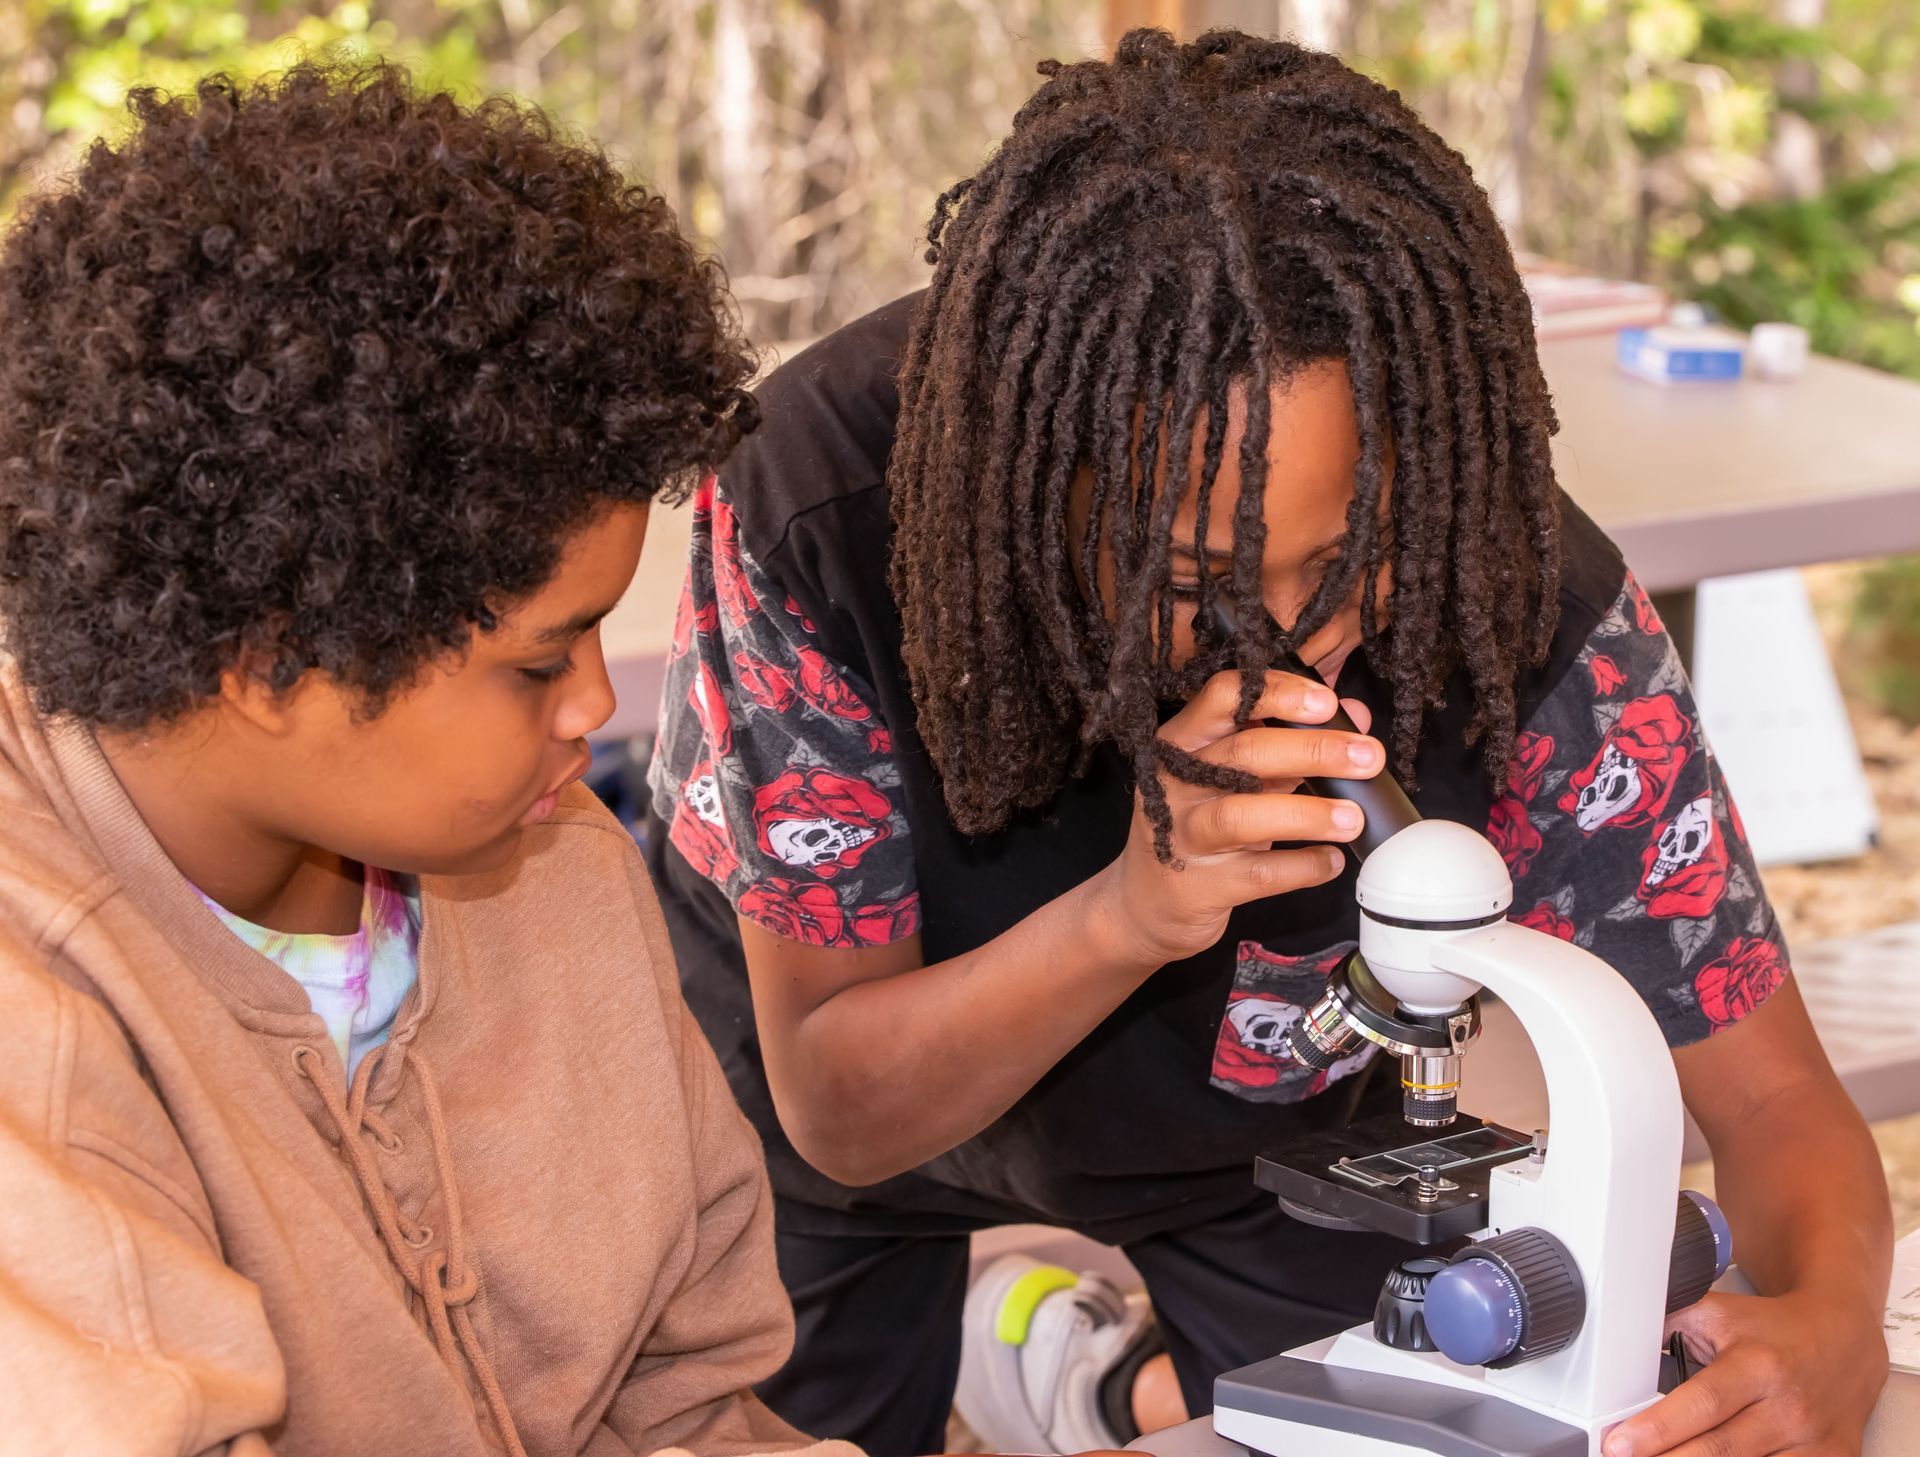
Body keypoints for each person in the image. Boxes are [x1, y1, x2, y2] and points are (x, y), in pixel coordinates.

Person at [643, 28, 1893, 1457]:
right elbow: (840, 1113)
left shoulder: (1513, 602)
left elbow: (1775, 1090)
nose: (1299, 640)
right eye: (1198, 582)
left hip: (1249, 1143)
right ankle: (1051, 1347)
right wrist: (1130, 912)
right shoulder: (815, 521)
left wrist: (1833, 1321)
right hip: (833, 1115)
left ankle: (1079, 1375)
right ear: (1038, 496)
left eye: (1353, 554)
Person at [0, 62, 847, 1457]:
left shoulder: (559, 872)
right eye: (540, 657)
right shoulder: (41, 1016)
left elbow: (694, 1410)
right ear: (273, 659)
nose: (593, 709)